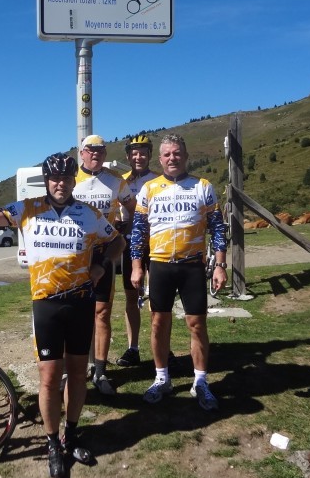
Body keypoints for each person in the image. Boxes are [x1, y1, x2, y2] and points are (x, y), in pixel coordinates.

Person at [0, 153, 123, 478]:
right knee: (48, 378)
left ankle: (69, 437)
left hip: (81, 303)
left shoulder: (89, 214)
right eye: (54, 178)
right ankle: (51, 443)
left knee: (76, 375)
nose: (61, 183)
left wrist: (102, 265)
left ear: (75, 180)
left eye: (66, 178)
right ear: (47, 180)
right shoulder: (28, 209)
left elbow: (117, 240)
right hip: (46, 305)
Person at [130, 134, 227, 410]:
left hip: (191, 265)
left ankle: (201, 382)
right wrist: (137, 267)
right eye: (167, 154)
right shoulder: (148, 189)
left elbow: (218, 228)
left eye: (177, 153)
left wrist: (219, 265)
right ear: (160, 159)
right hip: (159, 265)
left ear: (185, 156)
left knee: (196, 324)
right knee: (159, 324)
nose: (172, 158)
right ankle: (162, 379)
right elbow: (138, 233)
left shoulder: (202, 186)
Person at [73, 135, 135, 396]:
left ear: (104, 152)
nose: (95, 154)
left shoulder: (115, 180)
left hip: (103, 254)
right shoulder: (70, 180)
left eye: (99, 150)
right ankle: (74, 370)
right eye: (90, 150)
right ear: (81, 153)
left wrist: (127, 226)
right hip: (76, 256)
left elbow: (133, 207)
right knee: (74, 314)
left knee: (101, 314)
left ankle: (99, 370)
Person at [116, 134, 159, 368]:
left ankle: (162, 346)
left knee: (157, 297)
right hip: (129, 244)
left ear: (150, 155)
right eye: (134, 152)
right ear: (128, 156)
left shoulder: (159, 179)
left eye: (143, 152)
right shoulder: (120, 181)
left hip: (155, 245)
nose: (138, 156)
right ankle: (133, 348)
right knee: (131, 298)